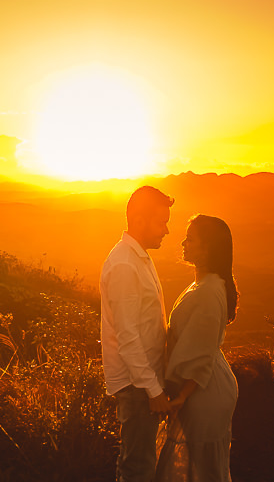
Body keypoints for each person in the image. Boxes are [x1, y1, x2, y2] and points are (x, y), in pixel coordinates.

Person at [101, 185, 176, 482]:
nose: (167, 230)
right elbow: (128, 338)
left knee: (141, 460)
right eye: (162, 222)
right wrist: (153, 390)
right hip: (137, 386)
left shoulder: (138, 257)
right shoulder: (123, 265)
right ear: (140, 220)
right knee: (138, 466)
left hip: (143, 382)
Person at [156, 214, 239, 482]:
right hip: (203, 386)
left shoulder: (208, 290)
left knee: (204, 469)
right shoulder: (204, 284)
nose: (183, 243)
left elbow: (201, 351)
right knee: (198, 466)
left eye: (190, 239)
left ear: (208, 249)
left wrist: (182, 395)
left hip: (204, 391)